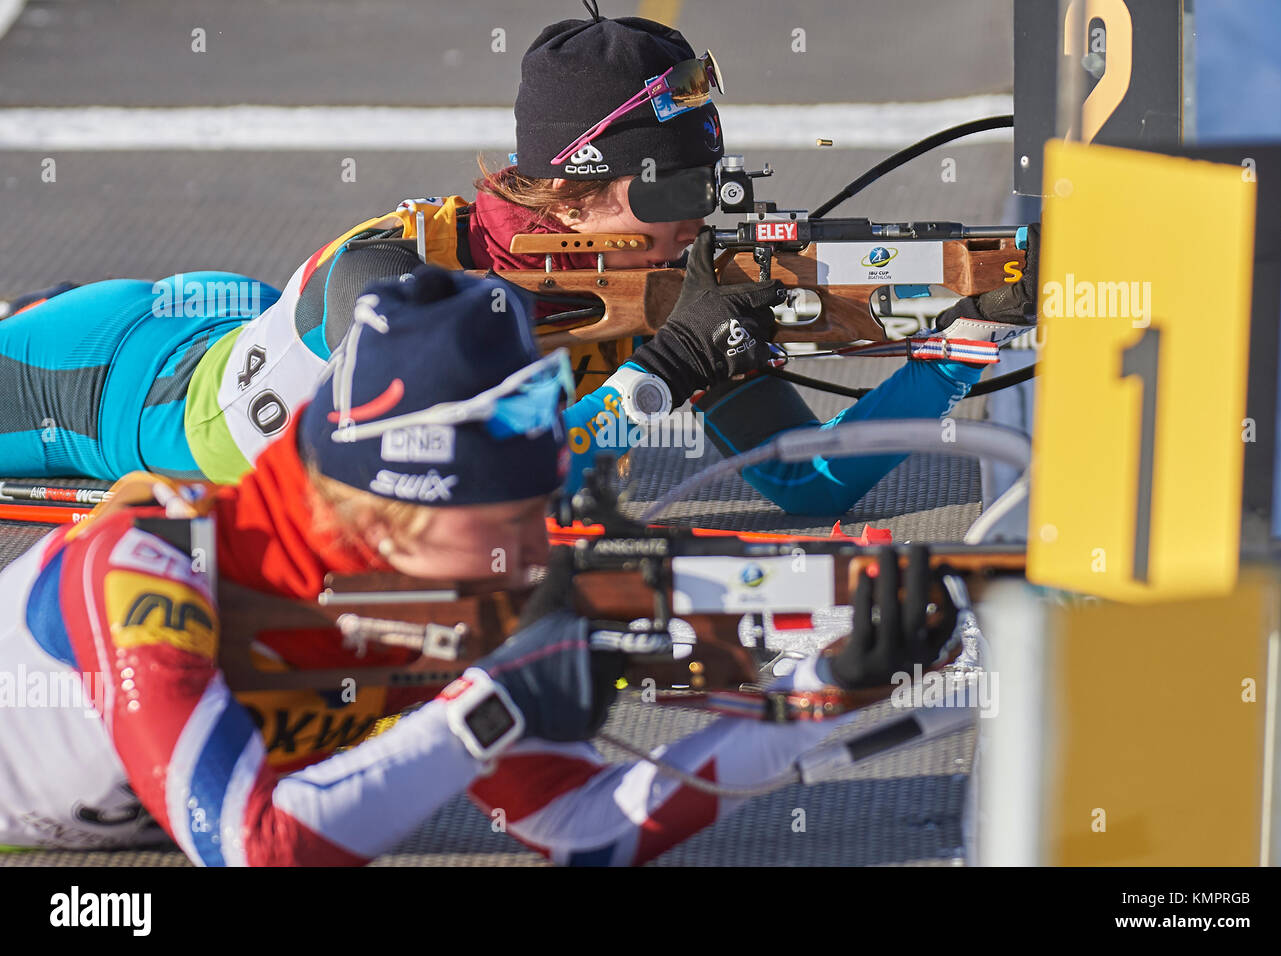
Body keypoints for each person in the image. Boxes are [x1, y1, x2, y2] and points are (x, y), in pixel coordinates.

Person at [0, 267, 941, 865]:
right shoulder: (147, 570)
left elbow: (586, 833)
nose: (541, 552)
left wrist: (823, 693)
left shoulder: (447, 595)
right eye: (510, 520)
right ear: (392, 511)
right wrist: (496, 702)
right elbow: (257, 849)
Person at [0, 5, 1037, 517]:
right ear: (578, 189)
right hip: (96, 384)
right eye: (672, 189)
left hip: (226, 325)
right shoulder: (397, 277)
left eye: (707, 185)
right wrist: (664, 370)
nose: (699, 216)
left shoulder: (667, 286)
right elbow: (443, 487)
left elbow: (807, 488)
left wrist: (957, 345)